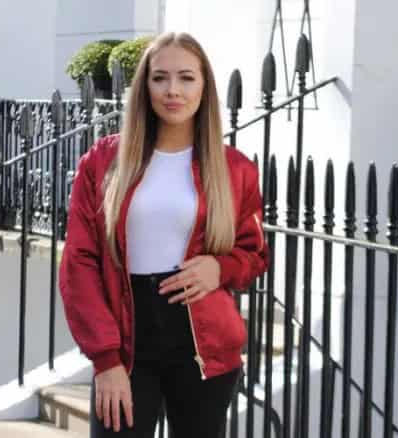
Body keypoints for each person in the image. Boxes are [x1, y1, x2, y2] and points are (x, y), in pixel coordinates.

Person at [59, 31, 269, 437]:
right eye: (160, 78)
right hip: (126, 339)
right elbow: (79, 263)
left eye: (187, 78)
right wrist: (106, 360)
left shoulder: (236, 169)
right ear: (144, 87)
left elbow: (255, 253)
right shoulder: (102, 162)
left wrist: (220, 267)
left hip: (204, 347)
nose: (173, 90)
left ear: (204, 87)